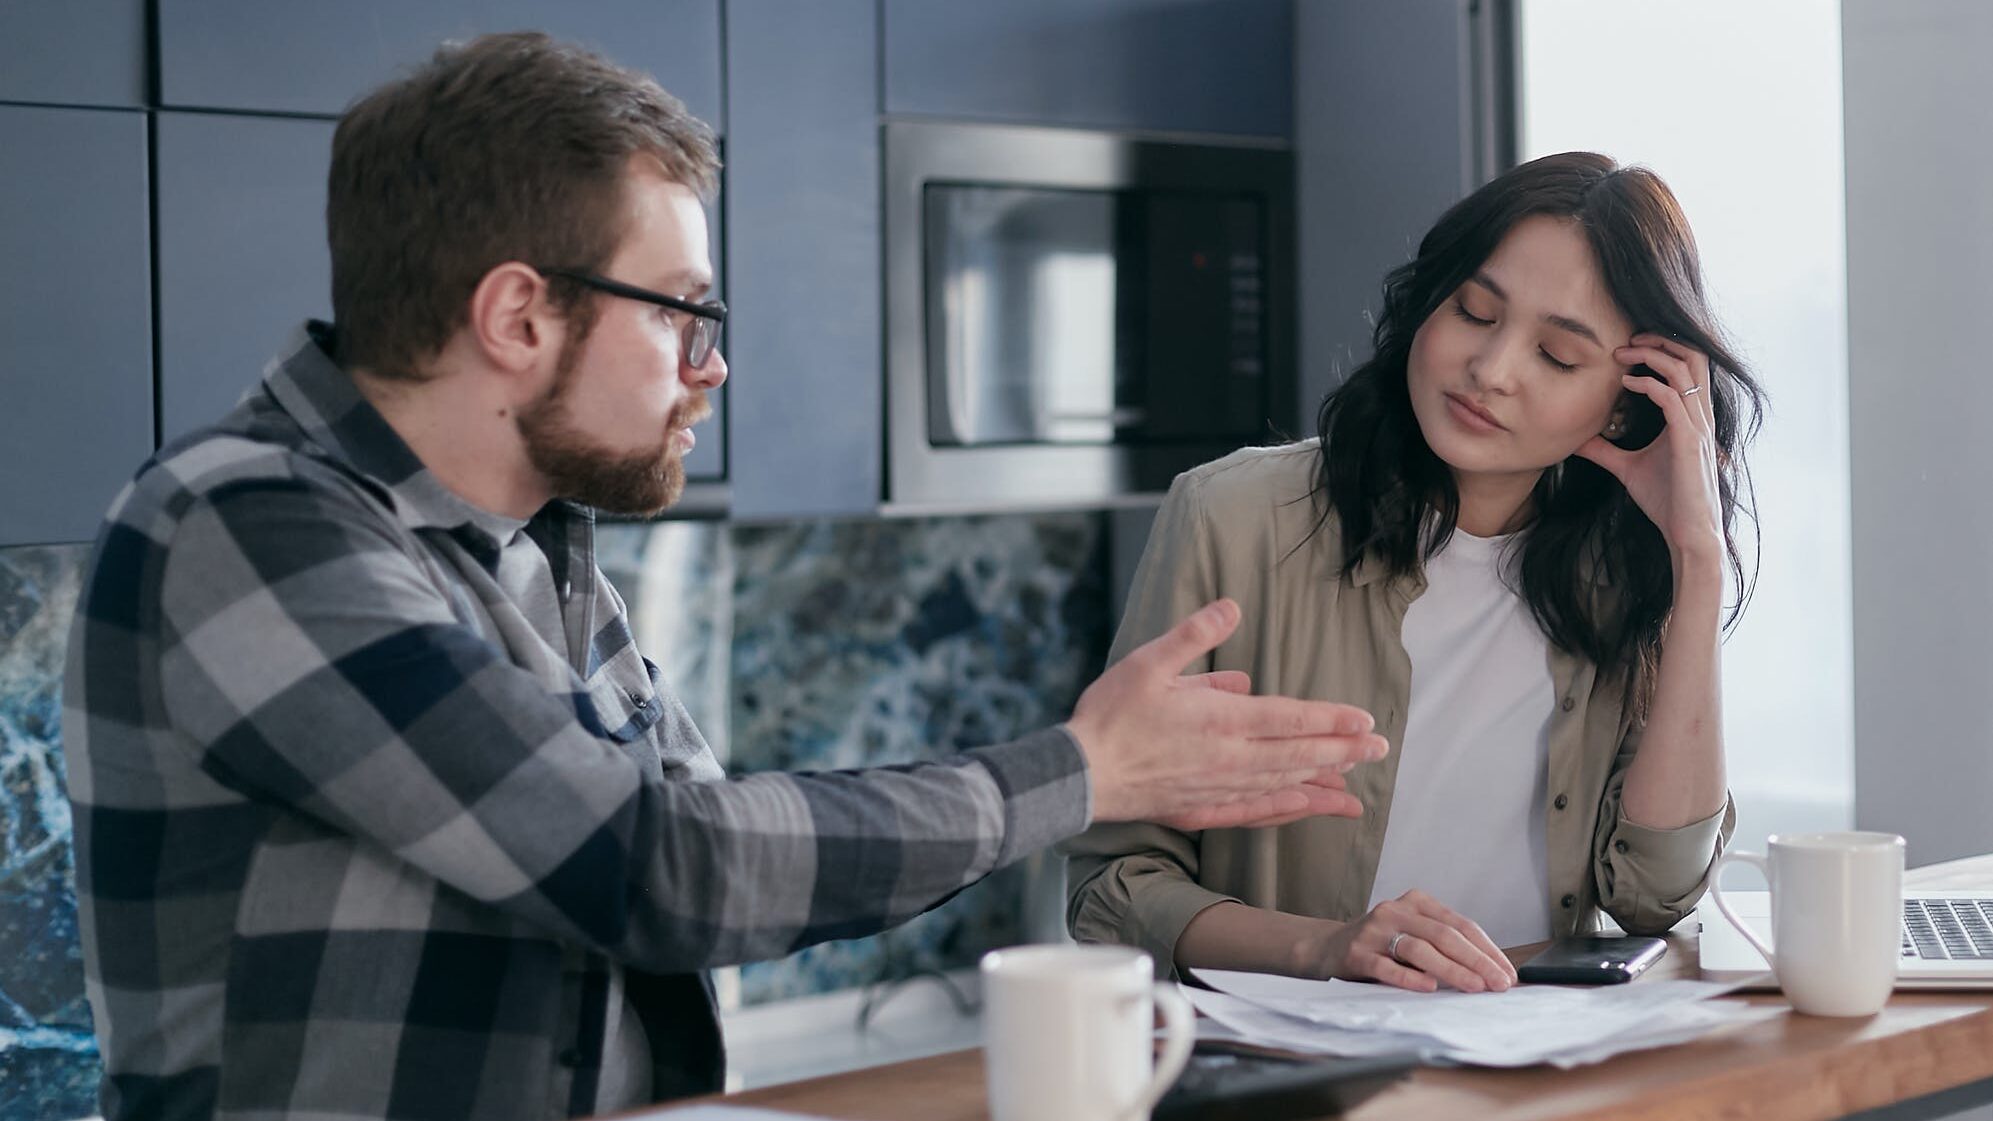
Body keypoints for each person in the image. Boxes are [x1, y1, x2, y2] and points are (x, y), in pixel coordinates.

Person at [61, 33, 1390, 1121]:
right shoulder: (241, 527)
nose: (715, 366)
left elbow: (715, 869)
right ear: (521, 315)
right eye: (684, 310)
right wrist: (1084, 772)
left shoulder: (537, 544)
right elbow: (655, 864)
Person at [1065, 152, 1767, 996]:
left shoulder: (1619, 570)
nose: (1491, 369)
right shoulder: (1233, 517)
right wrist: (1327, 947)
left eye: (1555, 355)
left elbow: (1655, 893)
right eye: (1474, 311)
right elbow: (1111, 887)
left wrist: (1696, 560)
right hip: (1292, 1072)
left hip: (1530, 1061)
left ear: (1623, 404)